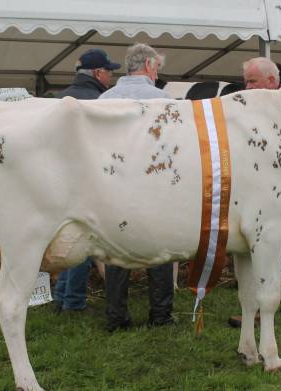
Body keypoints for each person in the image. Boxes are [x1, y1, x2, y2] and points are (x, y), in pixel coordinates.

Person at [228, 57, 281, 328]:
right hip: (255, 184)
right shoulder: (251, 104)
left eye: (252, 81)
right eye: (246, 81)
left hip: (280, 187)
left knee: (270, 245)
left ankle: (270, 306)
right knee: (268, 244)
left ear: (271, 80)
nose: (246, 86)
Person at [99, 43, 175, 332]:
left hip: (114, 185)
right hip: (153, 185)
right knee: (160, 250)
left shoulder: (104, 98)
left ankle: (116, 317)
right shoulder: (163, 99)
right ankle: (161, 314)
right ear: (150, 66)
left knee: (116, 251)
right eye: (158, 68)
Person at [52, 48, 121, 313]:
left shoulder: (60, 98)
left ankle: (61, 296)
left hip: (62, 178)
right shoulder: (99, 100)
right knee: (85, 241)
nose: (110, 76)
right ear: (97, 72)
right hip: (88, 178)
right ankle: (74, 302)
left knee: (69, 236)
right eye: (108, 71)